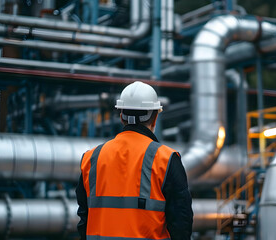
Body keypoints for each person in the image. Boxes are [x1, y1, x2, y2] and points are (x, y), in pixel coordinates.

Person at [75, 81, 193, 240]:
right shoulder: (166, 159)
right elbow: (181, 223)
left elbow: (84, 219)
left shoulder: (91, 158)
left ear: (121, 116)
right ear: (155, 117)